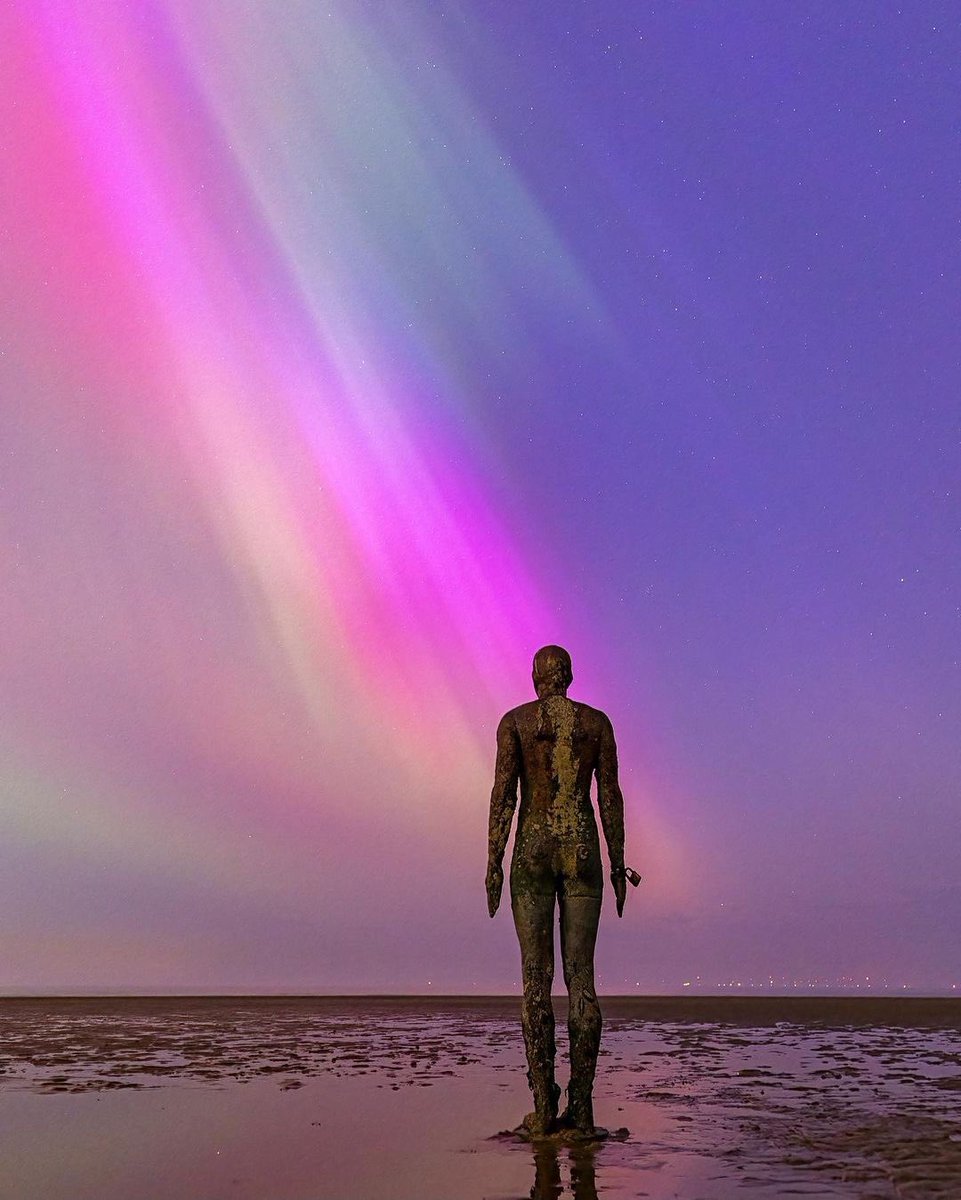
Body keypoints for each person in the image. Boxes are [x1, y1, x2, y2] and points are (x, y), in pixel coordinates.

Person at [486, 645, 635, 1137]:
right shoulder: (596, 724)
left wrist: (492, 863)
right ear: (569, 676)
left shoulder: (516, 722)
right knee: (581, 982)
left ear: (536, 677)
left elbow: (504, 796)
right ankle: (584, 1108)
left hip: (531, 851)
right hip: (583, 853)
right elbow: (608, 795)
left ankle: (545, 1108)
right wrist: (617, 862)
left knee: (536, 981)